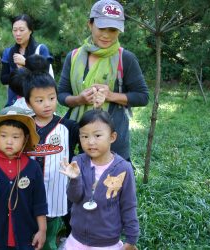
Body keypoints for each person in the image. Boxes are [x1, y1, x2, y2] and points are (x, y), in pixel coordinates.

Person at [57, 0, 149, 161]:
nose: (106, 35)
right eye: (101, 28)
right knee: (78, 181)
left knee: (113, 183)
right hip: (77, 135)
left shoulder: (125, 58)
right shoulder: (73, 57)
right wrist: (80, 99)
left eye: (113, 30)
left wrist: (110, 95)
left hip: (113, 138)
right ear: (90, 25)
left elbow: (142, 96)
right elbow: (62, 94)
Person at [13, 55, 78, 250]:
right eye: (40, 100)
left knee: (49, 238)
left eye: (51, 98)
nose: (47, 104)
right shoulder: (23, 127)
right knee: (26, 236)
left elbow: (89, 137)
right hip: (27, 193)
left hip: (56, 195)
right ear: (28, 102)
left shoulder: (68, 127)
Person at [60, 109, 139, 250]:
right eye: (84, 136)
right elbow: (74, 198)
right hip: (77, 239)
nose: (90, 142)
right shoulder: (78, 162)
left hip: (107, 242)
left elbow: (129, 205)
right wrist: (75, 179)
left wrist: (131, 239)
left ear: (112, 137)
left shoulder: (123, 168)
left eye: (97, 135)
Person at [0, 108, 48, 250]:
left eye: (16, 137)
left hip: (26, 237)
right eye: (3, 135)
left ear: (25, 139)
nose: (9, 141)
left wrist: (42, 230)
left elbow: (39, 201)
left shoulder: (33, 167)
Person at [1, 14, 53, 107]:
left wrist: (26, 63)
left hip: (37, 103)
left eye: (21, 30)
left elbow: (46, 76)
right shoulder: (8, 52)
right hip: (14, 103)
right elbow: (3, 79)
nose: (17, 33)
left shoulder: (41, 49)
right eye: (15, 30)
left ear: (30, 31)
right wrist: (18, 73)